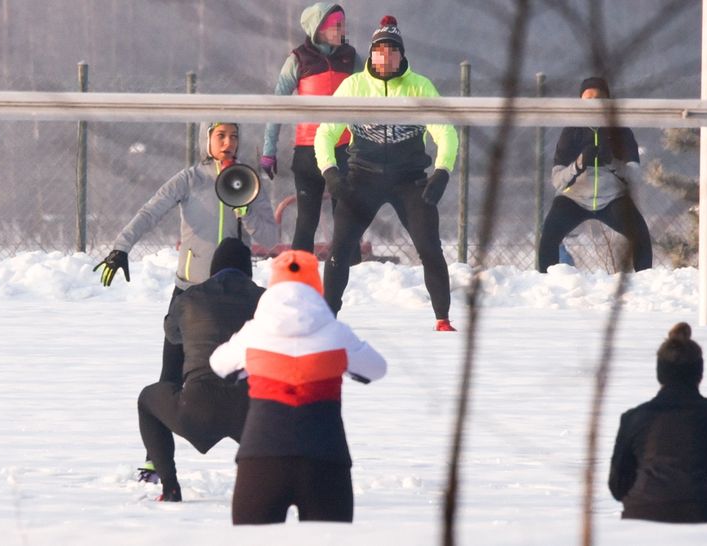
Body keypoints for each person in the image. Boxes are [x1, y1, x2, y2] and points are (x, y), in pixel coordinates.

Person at [94, 122, 279, 386]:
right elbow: (151, 212)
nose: (228, 143)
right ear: (207, 139)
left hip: (233, 295)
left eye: (234, 136)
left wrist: (245, 210)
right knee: (170, 378)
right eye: (221, 136)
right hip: (190, 290)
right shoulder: (190, 179)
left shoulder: (250, 181)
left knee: (239, 381)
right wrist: (121, 247)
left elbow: (270, 238)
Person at [210, 250, 386, 524]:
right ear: (317, 286)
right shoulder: (338, 333)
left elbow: (218, 364)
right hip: (326, 458)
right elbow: (377, 368)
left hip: (262, 456)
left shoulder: (253, 332)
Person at [314, 15, 459, 331]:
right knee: (339, 251)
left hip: (409, 179)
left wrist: (442, 172)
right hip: (362, 176)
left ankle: (443, 319)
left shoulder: (420, 86)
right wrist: (331, 174)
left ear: (402, 55)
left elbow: (446, 133)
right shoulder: (353, 86)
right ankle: (327, 318)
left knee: (430, 248)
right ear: (371, 53)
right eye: (380, 50)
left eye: (393, 50)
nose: (386, 56)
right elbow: (324, 133)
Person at [137, 238, 265, 502]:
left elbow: (172, 335)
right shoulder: (266, 300)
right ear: (248, 272)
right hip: (251, 413)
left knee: (147, 400)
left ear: (212, 269)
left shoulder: (189, 298)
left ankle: (170, 487)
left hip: (197, 409)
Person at [608, 322, 707, 523]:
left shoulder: (634, 419)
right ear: (699, 373)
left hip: (645, 517)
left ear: (660, 372)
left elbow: (618, 487)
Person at [260, 3, 361, 254]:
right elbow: (278, 105)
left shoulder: (351, 57)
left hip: (343, 150)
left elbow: (369, 94)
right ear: (319, 29)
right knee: (307, 221)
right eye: (336, 25)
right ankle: (297, 274)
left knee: (347, 217)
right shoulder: (297, 59)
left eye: (343, 24)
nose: (342, 29)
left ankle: (352, 273)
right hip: (308, 151)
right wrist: (268, 150)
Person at [537, 77, 652, 273]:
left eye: (599, 98)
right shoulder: (571, 132)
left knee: (641, 236)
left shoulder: (621, 132)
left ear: (608, 100)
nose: (593, 104)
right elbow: (557, 179)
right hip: (574, 198)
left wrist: (613, 164)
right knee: (548, 237)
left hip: (613, 199)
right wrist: (579, 163)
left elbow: (634, 176)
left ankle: (645, 285)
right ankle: (547, 285)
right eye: (587, 99)